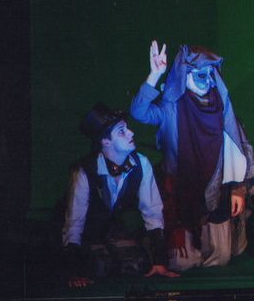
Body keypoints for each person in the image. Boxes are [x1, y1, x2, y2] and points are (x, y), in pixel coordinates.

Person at [129, 42, 254, 270]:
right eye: (200, 73)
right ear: (185, 74)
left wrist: (238, 189)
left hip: (216, 192)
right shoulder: (171, 107)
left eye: (211, 73)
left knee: (220, 258)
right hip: (182, 193)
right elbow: (139, 112)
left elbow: (239, 149)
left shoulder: (222, 108)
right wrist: (154, 75)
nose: (207, 80)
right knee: (182, 262)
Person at [62, 103, 179, 288]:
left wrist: (159, 261)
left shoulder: (141, 164)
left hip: (114, 230)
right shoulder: (85, 171)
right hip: (88, 233)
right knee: (99, 266)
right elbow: (74, 222)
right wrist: (74, 271)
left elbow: (152, 211)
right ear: (105, 141)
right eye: (122, 131)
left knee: (136, 264)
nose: (131, 133)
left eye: (127, 128)